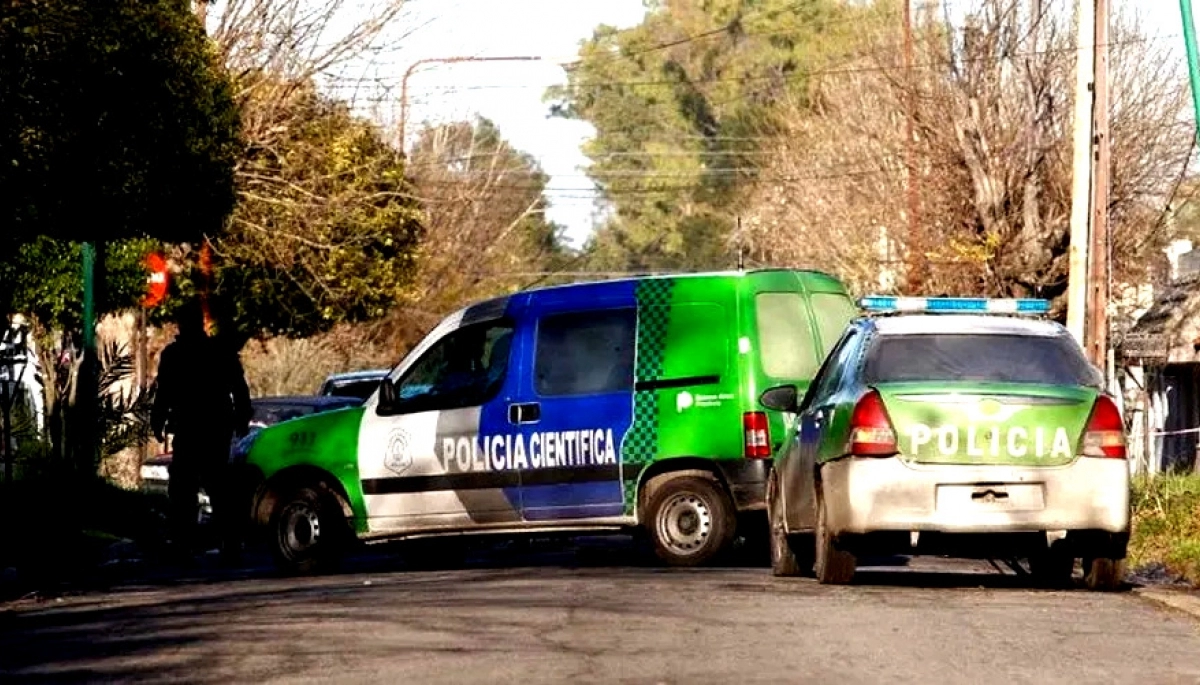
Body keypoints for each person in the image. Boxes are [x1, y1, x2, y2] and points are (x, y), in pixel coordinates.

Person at [150, 298, 252, 562]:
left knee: (202, 486)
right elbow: (238, 389)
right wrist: (159, 418)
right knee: (202, 485)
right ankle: (207, 541)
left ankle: (208, 541)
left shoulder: (187, 354)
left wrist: (158, 419)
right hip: (202, 426)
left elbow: (237, 389)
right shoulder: (209, 352)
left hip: (201, 426)